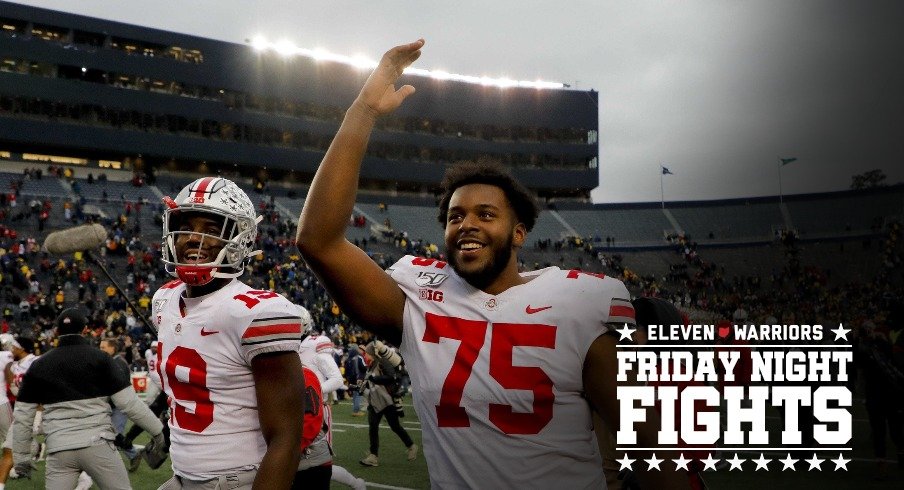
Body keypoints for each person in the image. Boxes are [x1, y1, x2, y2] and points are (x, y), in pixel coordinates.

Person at [296, 39, 688, 488]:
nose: (467, 225)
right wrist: (364, 110)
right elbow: (319, 241)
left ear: (518, 232)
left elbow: (650, 448)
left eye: (486, 214)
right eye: (456, 216)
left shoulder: (576, 303)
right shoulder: (421, 300)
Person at [154, 176, 305, 489]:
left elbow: (286, 438)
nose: (193, 239)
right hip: (181, 477)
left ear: (240, 240)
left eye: (211, 230)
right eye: (187, 227)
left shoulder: (256, 312)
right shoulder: (164, 299)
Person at [10, 308, 166, 490]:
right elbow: (129, 404)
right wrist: (158, 432)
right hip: (98, 443)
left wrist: (21, 458)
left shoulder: (39, 365)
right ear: (85, 330)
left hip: (59, 447)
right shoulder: (101, 359)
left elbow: (23, 416)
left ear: (57, 331)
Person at [295, 306, 366, 489]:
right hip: (297, 410)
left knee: (318, 461)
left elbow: (335, 379)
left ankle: (355, 483)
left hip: (316, 411)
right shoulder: (294, 346)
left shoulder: (313, 343)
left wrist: (313, 395)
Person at [358, 340, 417, 467]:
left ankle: (411, 445)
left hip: (387, 401)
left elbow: (392, 377)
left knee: (395, 426)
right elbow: (370, 383)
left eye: (366, 354)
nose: (365, 356)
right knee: (373, 427)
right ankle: (373, 456)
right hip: (375, 402)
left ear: (372, 353)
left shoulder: (382, 362)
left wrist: (375, 379)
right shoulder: (372, 365)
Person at [99, 338, 142, 470]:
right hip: (111, 405)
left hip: (119, 405)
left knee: (114, 435)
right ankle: (131, 455)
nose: (101, 350)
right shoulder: (111, 362)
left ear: (112, 348)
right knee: (108, 434)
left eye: (103, 347)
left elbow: (117, 388)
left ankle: (132, 455)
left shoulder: (118, 364)